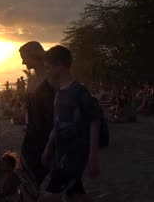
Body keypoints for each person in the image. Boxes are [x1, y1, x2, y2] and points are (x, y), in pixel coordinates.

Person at [41, 45, 100, 202]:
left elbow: (94, 122)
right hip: (61, 153)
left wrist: (92, 157)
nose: (46, 72)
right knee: (75, 195)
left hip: (75, 154)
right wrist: (49, 146)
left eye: (48, 68)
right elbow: (58, 123)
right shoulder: (59, 92)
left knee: (49, 197)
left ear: (59, 65)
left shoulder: (79, 91)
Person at [17, 41, 55, 202]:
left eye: (24, 57)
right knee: (28, 179)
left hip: (50, 136)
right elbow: (29, 109)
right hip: (31, 137)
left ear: (34, 55)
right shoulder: (31, 81)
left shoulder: (53, 80)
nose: (23, 62)